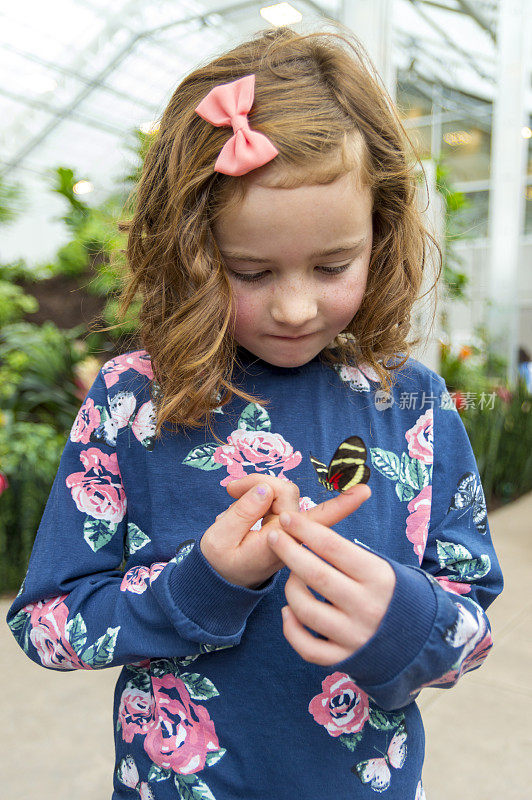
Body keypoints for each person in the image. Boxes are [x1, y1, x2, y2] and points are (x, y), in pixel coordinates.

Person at [6, 24, 503, 800]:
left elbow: (473, 618)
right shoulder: (132, 404)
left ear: (382, 231)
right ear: (188, 248)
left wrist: (407, 624)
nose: (297, 306)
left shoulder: (412, 401)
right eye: (251, 270)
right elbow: (44, 626)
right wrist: (199, 586)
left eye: (333, 265)